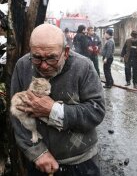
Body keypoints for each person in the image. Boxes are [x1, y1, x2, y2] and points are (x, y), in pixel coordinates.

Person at [10, 24, 105, 176]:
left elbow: (96, 111)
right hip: (39, 163)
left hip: (81, 162)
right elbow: (15, 115)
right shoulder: (23, 66)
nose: (44, 65)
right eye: (37, 57)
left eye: (51, 58)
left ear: (66, 52)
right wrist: (37, 153)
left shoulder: (83, 66)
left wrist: (53, 110)